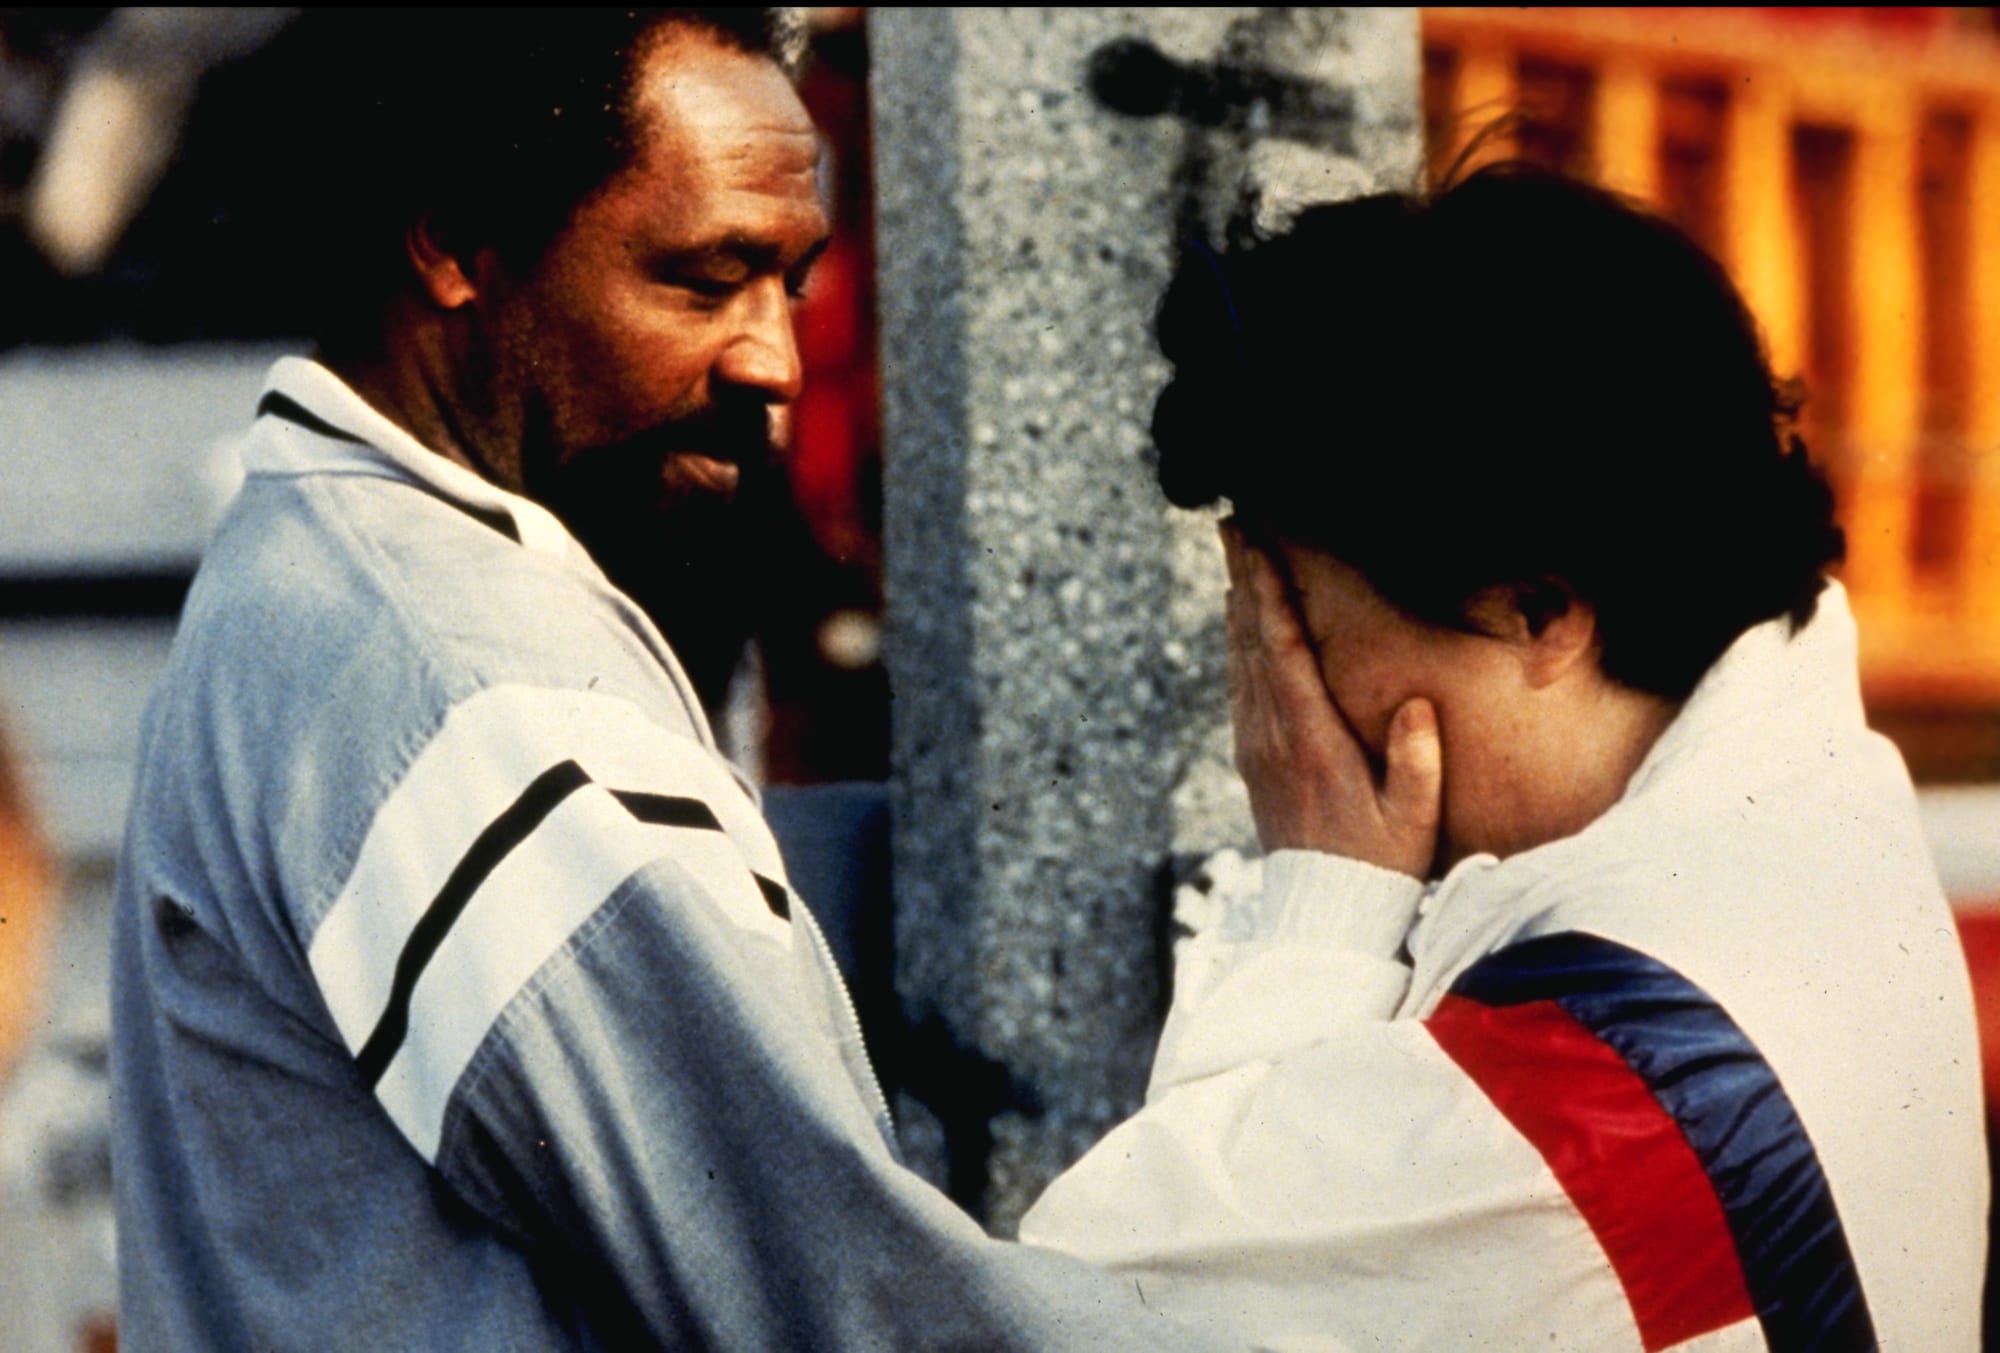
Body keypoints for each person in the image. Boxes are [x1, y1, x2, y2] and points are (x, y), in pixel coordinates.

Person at [109, 11, 1236, 1349]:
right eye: (707, 280)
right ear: (460, 241)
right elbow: (850, 1309)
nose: (776, 359)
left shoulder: (320, 566)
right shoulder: (477, 690)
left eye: (790, 285)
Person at [1020, 164, 1988, 1350]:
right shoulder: (1819, 799)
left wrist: (1321, 909)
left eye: (1300, 626)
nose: (1277, 702)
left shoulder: (1598, 1082)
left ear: (1537, 613)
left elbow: (1091, 1306)